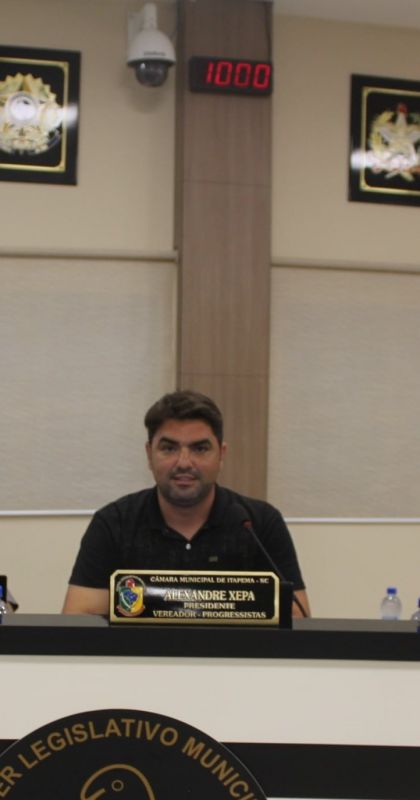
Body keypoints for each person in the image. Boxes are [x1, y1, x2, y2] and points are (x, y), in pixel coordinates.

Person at [63, 390, 310, 617]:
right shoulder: (114, 523)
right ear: (149, 454)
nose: (184, 462)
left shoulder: (259, 523)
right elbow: (78, 619)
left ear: (221, 454)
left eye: (200, 449)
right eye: (169, 448)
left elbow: (297, 619)